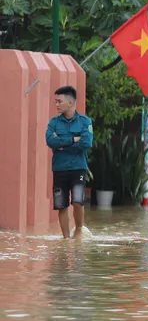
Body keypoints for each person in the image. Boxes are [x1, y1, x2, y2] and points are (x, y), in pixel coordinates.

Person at [45, 86, 93, 239]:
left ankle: (78, 230)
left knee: (78, 201)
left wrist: (61, 145)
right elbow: (50, 140)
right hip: (59, 168)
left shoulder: (85, 121)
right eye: (56, 102)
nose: (57, 104)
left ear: (70, 103)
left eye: (59, 101)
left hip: (78, 167)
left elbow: (86, 143)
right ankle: (66, 239)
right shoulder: (53, 122)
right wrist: (73, 139)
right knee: (61, 204)